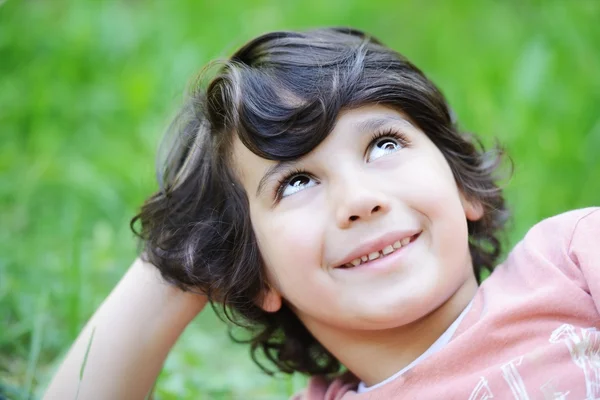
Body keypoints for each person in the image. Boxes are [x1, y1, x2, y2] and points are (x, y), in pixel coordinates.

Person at [43, 28, 600, 399]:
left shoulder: (569, 261)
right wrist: (174, 266)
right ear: (254, 272)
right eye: (296, 181)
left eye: (383, 144)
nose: (359, 201)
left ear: (462, 185)